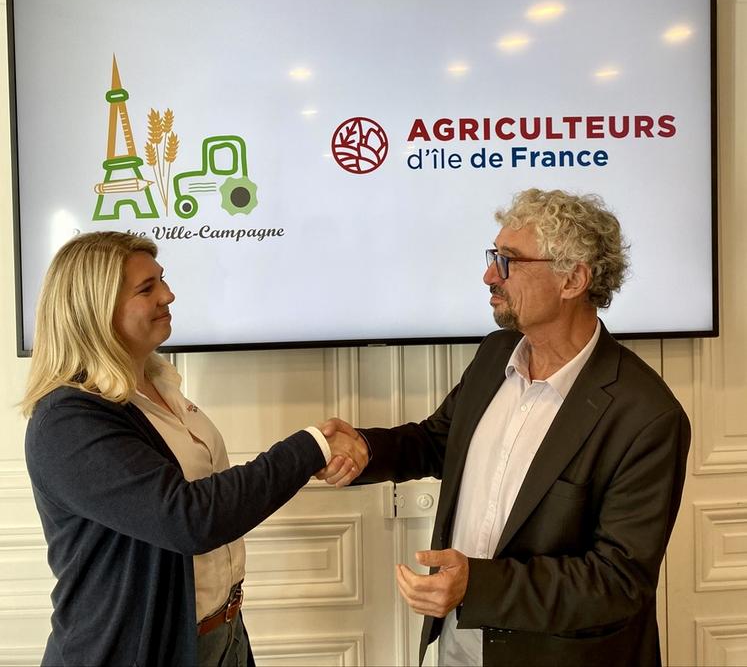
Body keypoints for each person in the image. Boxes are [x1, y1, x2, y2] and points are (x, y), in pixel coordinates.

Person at [319, 188, 690, 667]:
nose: (489, 275)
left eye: (508, 261)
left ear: (573, 279)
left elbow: (616, 582)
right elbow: (440, 441)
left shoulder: (646, 416)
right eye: (493, 257)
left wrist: (477, 584)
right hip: (459, 647)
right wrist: (368, 449)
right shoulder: (496, 354)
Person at [22, 231, 368, 667]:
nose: (168, 295)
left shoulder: (160, 385)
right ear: (95, 310)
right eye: (147, 289)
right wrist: (310, 449)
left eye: (161, 280)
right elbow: (190, 517)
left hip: (221, 635)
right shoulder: (68, 421)